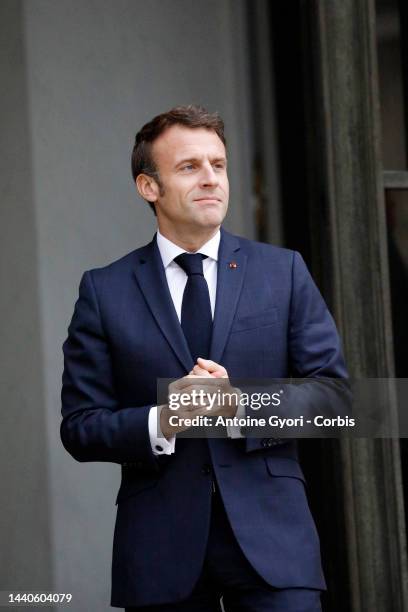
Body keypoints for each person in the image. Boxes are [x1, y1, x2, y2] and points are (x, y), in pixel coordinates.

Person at [61, 105, 347, 611]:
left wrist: (239, 404)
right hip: (158, 551)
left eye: (219, 164)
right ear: (149, 187)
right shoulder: (104, 290)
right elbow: (80, 426)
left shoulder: (283, 271)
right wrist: (164, 418)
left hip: (274, 545)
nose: (211, 179)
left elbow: (337, 398)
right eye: (190, 167)